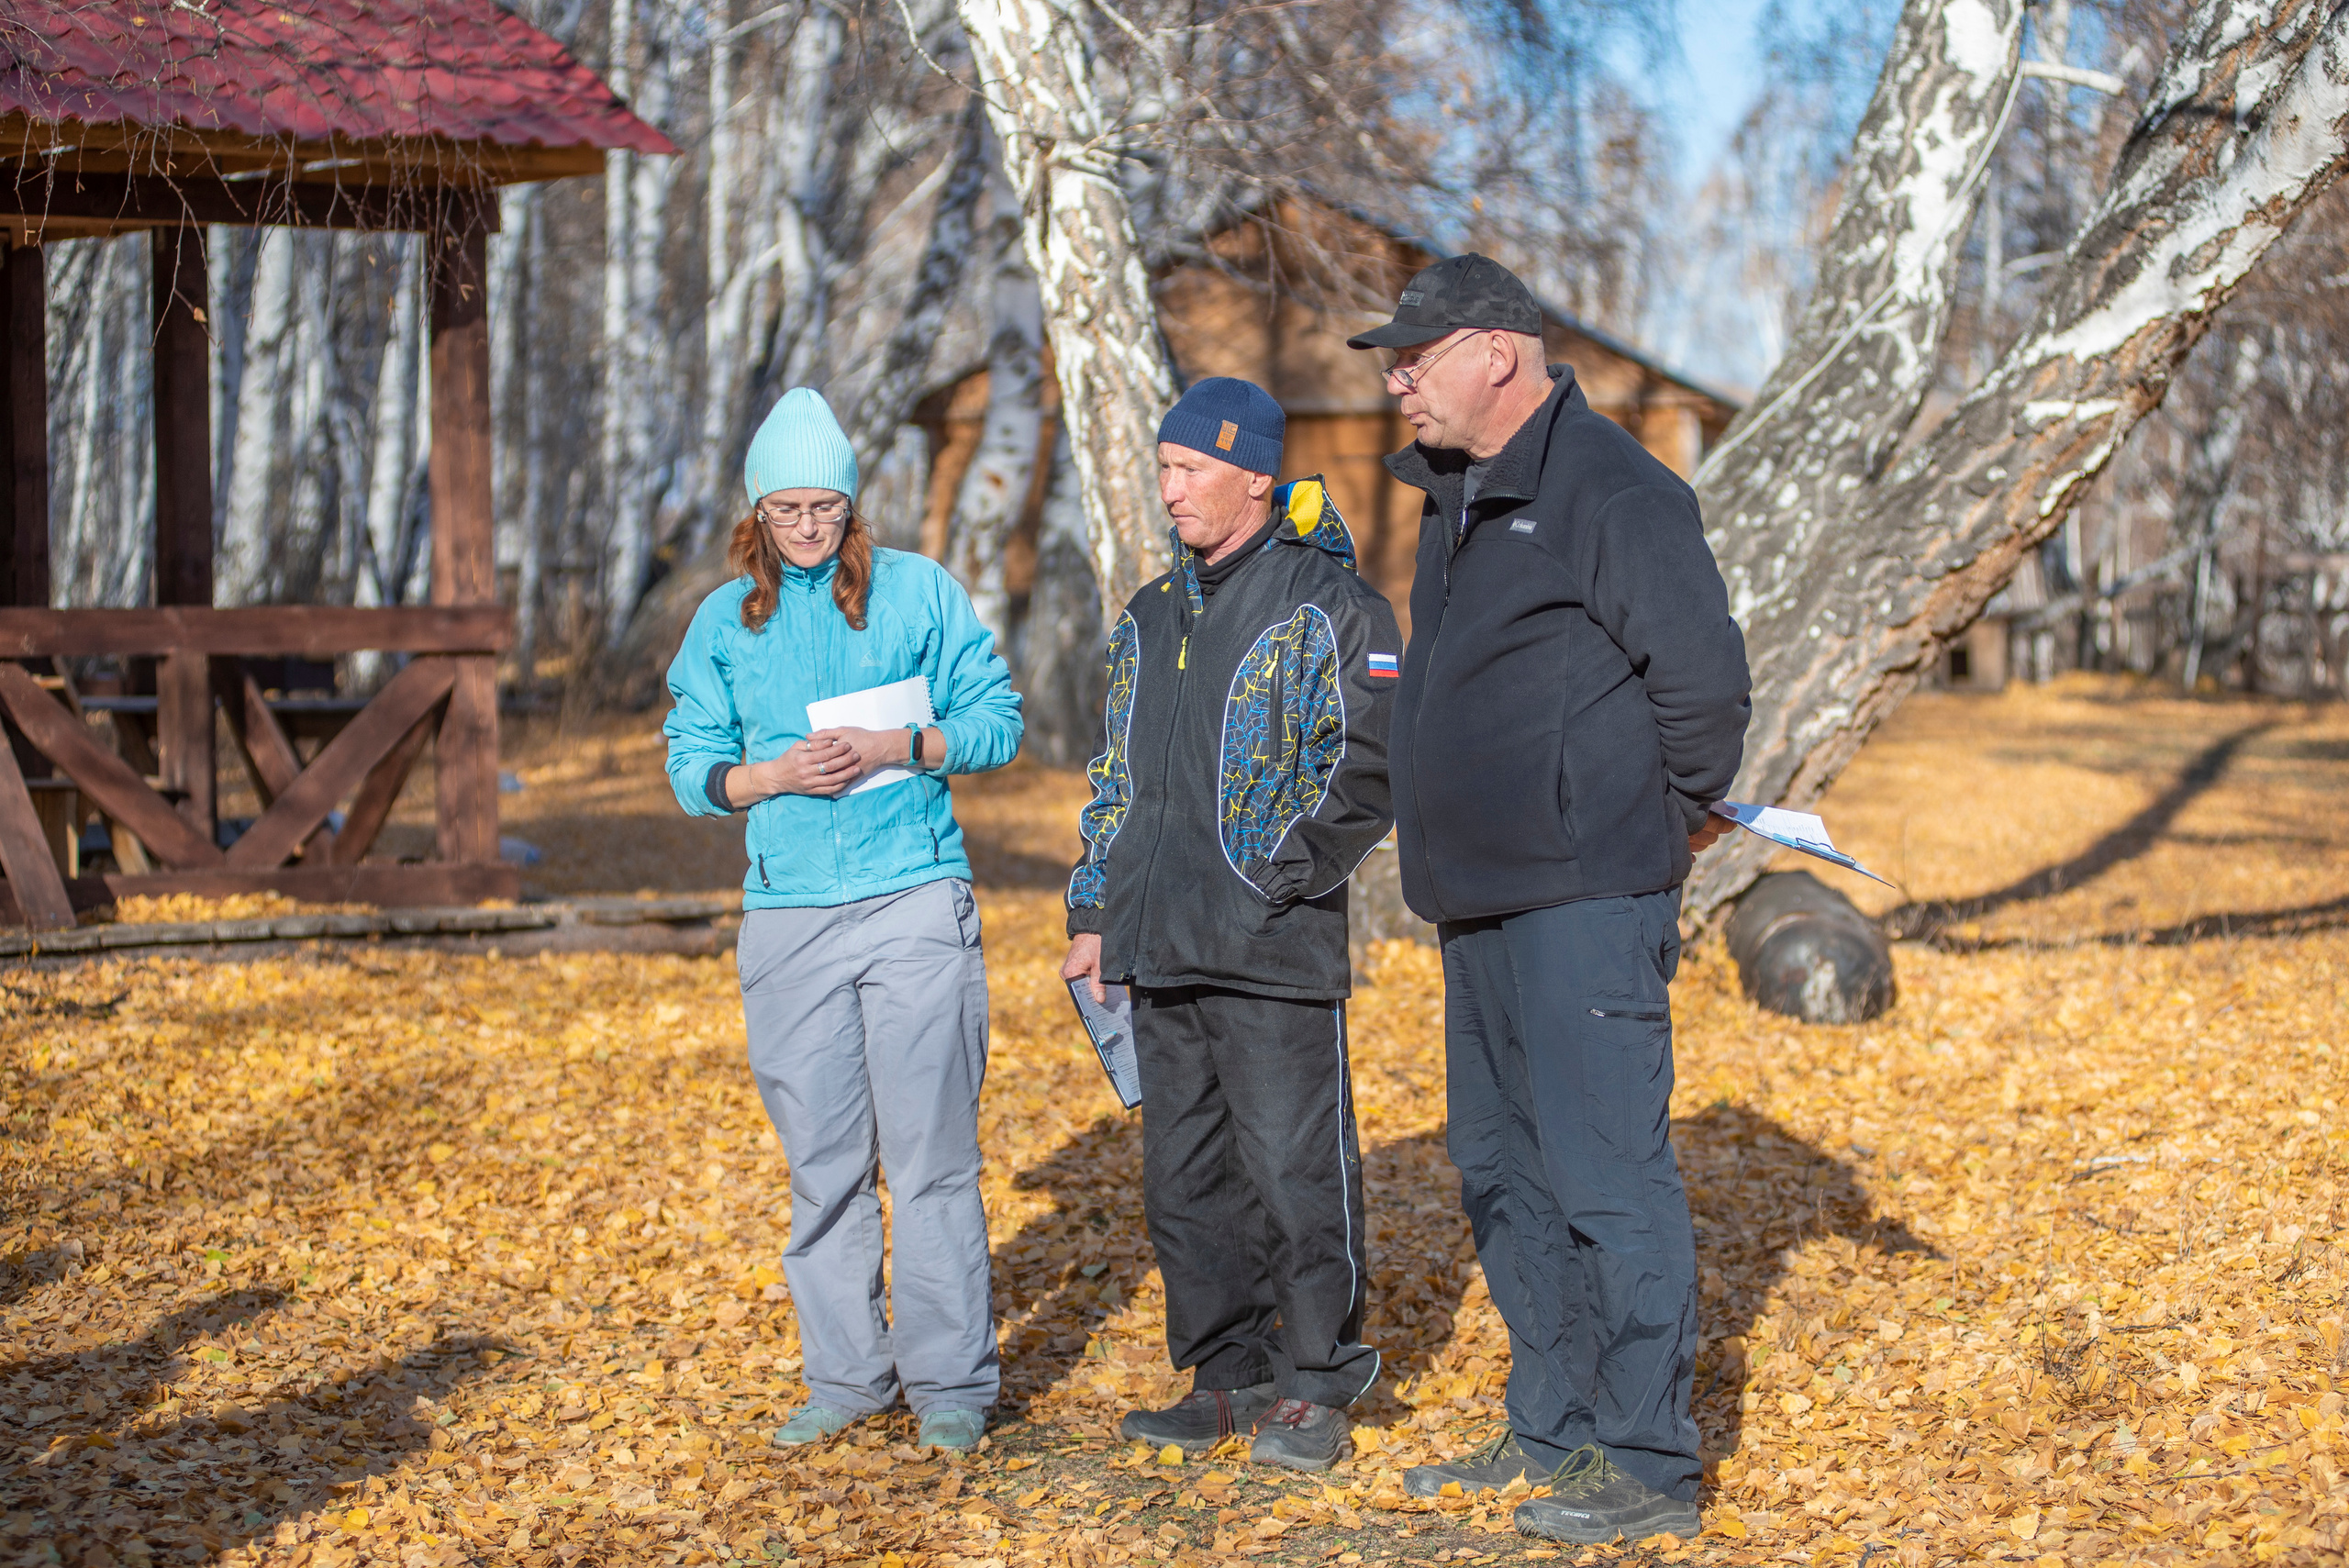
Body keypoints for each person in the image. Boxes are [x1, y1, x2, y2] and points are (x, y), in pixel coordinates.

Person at [1342, 255, 1750, 1542]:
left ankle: (1646, 1461)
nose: (1396, 379)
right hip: (1475, 899)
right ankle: (1557, 1418)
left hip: (1584, 894)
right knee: (1502, 1170)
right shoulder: (1452, 498)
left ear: (1497, 355)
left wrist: (1650, 819)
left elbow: (1706, 696)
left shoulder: (1618, 491)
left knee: (1604, 1173)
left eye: (1415, 356)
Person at [663, 387, 1024, 1455]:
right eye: (789, 509)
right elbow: (689, 765)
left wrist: (896, 748)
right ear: (757, 514)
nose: (810, 528)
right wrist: (766, 775)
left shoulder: (918, 592)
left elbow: (996, 723)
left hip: (914, 895)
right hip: (787, 919)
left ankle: (951, 1381)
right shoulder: (725, 621)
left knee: (930, 1156)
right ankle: (846, 1379)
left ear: (853, 505)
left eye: (827, 506)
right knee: (821, 1164)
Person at [1061, 377, 1403, 1472]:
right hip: (1157, 944)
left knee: (1295, 1169)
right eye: (1163, 469)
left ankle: (1315, 1383)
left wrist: (1277, 871)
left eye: (1190, 469)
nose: (1169, 491)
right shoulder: (1150, 612)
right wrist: (1093, 908)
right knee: (1183, 1179)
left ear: (1256, 473)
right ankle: (1226, 1374)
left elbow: (1372, 762)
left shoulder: (1329, 603)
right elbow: (1115, 770)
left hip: (1270, 947)